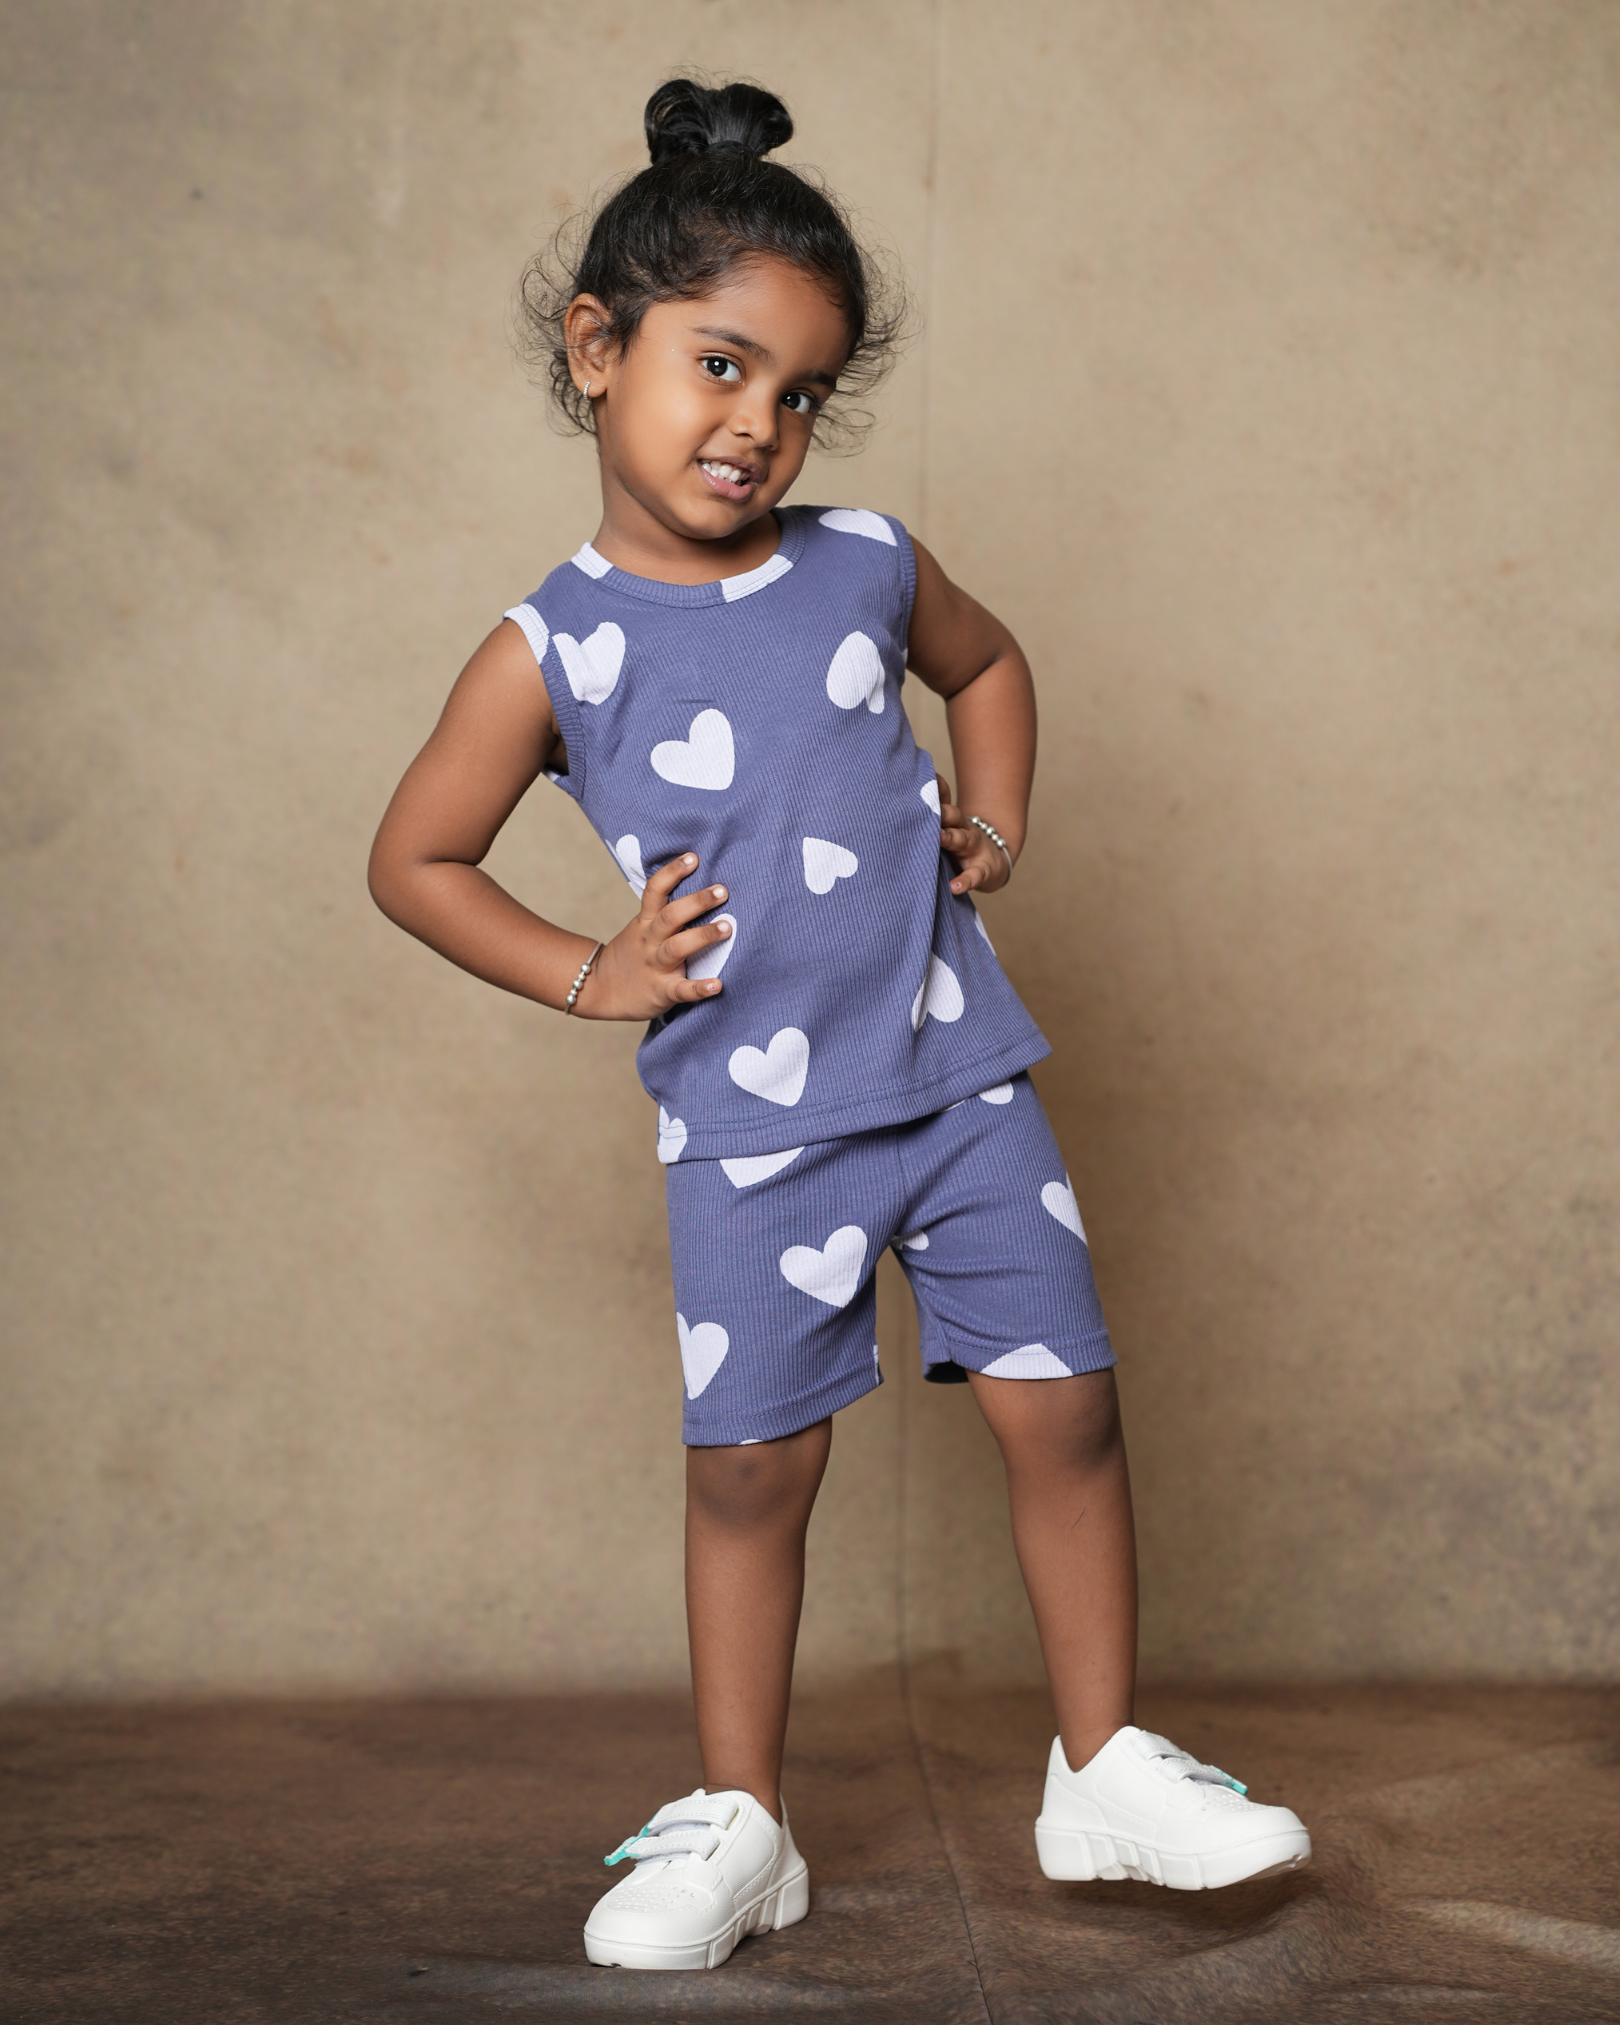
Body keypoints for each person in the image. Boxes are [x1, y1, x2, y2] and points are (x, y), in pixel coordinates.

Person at [368, 76, 1310, 1975]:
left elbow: (992, 661)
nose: (758, 425)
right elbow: (415, 859)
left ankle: (1104, 1764)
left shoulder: (865, 560)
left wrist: (998, 821)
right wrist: (592, 970)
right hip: (751, 1125)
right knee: (751, 1470)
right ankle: (743, 1820)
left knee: (1067, 1407)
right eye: (719, 367)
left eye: (799, 393)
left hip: (958, 1078)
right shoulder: (555, 647)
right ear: (596, 348)